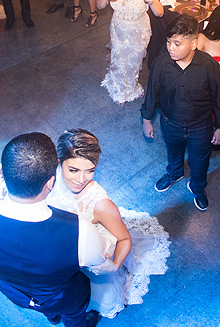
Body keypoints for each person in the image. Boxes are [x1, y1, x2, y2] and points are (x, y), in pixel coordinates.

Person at [0, 133, 107, 327]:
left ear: (3, 174)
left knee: (50, 312)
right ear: (50, 182)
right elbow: (97, 260)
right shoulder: (80, 231)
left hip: (14, 292)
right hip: (62, 298)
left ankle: (52, 318)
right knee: (74, 316)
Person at [47, 130, 170, 318]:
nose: (81, 179)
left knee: (100, 296)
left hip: (91, 259)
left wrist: (115, 265)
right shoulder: (49, 180)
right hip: (61, 256)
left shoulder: (100, 205)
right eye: (74, 170)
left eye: (90, 171)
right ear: (59, 162)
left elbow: (124, 239)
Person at [140, 14, 220, 211]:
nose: (170, 48)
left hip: (200, 126)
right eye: (168, 42)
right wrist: (147, 120)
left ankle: (197, 187)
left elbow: (219, 98)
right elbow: (152, 93)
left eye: (177, 44)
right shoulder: (160, 64)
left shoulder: (209, 67)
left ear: (193, 44)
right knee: (173, 152)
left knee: (200, 160)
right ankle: (175, 174)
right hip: (170, 122)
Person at [97, 0, 164, 104]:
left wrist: (151, 2)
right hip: (118, 27)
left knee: (132, 61)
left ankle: (129, 87)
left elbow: (159, 13)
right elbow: (100, 6)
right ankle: (119, 86)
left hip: (138, 29)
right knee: (118, 58)